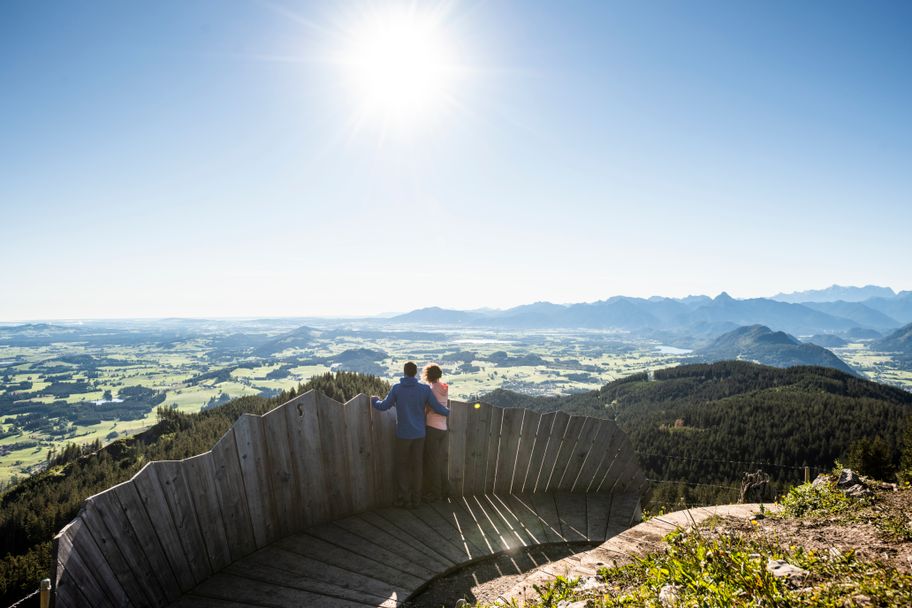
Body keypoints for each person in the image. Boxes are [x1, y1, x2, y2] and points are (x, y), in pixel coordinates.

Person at [372, 361, 449, 509]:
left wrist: (374, 401)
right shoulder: (424, 389)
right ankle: (417, 498)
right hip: (420, 434)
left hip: (403, 434)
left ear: (405, 372)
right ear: (415, 373)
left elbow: (384, 406)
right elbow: (436, 406)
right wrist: (447, 412)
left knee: (402, 465)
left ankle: (405, 498)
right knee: (417, 465)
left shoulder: (397, 388)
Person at [421, 363, 449, 502]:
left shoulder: (430, 389)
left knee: (432, 463)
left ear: (427, 375)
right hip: (443, 428)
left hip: (432, 427)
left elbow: (428, 406)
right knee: (440, 461)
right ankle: (445, 490)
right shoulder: (444, 387)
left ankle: (436, 494)